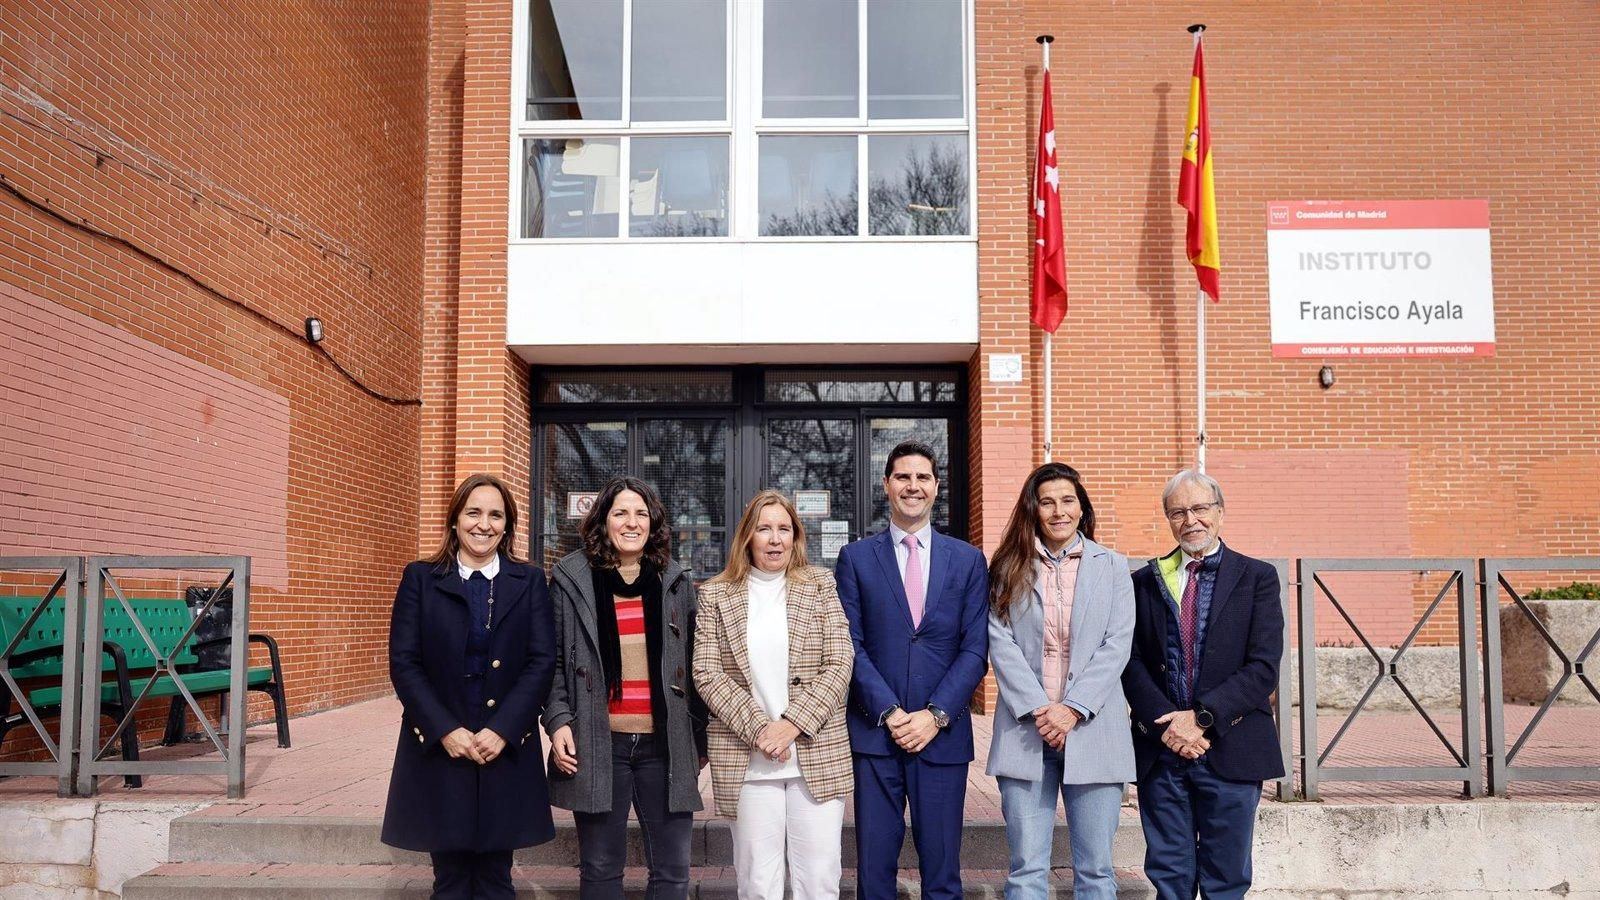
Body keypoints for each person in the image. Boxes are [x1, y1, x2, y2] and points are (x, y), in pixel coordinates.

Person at [381, 473, 556, 899]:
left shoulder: (529, 581)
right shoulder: (421, 578)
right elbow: (405, 662)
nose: (484, 524)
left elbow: (541, 661)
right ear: (455, 519)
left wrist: (504, 729)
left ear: (508, 525)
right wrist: (444, 729)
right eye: (474, 512)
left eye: (496, 515)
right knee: (451, 880)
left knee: (497, 878)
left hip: (504, 746)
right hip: (442, 746)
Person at [835, 440, 990, 900]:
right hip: (875, 735)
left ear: (936, 487)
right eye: (903, 476)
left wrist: (935, 715)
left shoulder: (968, 560)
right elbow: (850, 645)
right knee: (874, 874)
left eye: (922, 477)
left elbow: (975, 649)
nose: (912, 486)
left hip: (942, 737)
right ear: (887, 484)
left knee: (942, 876)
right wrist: (889, 711)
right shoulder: (855, 558)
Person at [1122, 470, 1284, 900]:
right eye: (1178, 512)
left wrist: (1201, 720)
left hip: (1230, 747)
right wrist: (1169, 726)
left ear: (1220, 512)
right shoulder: (1143, 582)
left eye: (1199, 508)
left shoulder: (1257, 577)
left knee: (1225, 879)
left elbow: (1263, 667)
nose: (1190, 520)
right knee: (1169, 876)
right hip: (1163, 750)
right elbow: (1130, 662)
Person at [543, 476, 707, 900]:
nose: (632, 522)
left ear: (653, 523)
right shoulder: (571, 578)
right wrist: (558, 721)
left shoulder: (674, 580)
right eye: (621, 513)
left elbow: (696, 664)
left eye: (641, 514)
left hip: (664, 745)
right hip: (598, 742)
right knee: (600, 870)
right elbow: (552, 661)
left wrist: (699, 738)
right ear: (603, 520)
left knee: (673, 872)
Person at [693, 489, 854, 900]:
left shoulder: (820, 584)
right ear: (748, 536)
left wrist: (791, 726)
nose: (775, 539)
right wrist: (763, 731)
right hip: (748, 758)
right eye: (765, 528)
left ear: (796, 536)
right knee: (757, 884)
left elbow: (840, 661)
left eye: (785, 529)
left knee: (818, 881)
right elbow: (707, 673)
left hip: (815, 753)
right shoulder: (715, 594)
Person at [985, 463, 1135, 900]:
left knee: (1096, 871)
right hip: (1026, 731)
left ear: (1082, 507)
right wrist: (1041, 709)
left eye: (1068, 500)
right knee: (1026, 870)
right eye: (1047, 502)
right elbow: (1001, 641)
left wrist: (1071, 709)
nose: (1058, 511)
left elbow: (1117, 643)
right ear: (1033, 509)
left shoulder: (1112, 566)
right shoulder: (1008, 566)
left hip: (1093, 729)